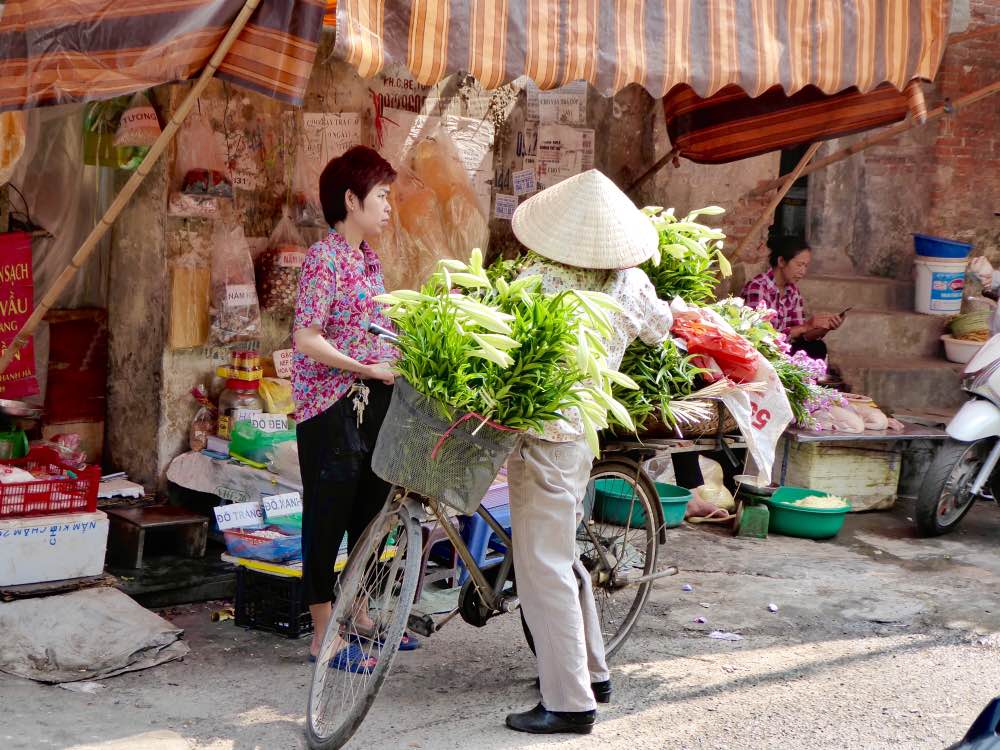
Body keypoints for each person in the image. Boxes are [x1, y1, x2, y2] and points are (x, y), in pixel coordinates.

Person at [504, 169, 675, 735]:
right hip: (585, 437)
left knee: (543, 568)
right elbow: (661, 330)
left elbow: (508, 342)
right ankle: (593, 672)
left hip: (543, 437)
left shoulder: (539, 274)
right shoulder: (631, 283)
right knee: (562, 556)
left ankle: (571, 702)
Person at [292, 145, 418, 672]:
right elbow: (305, 337)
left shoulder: (367, 260)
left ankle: (360, 612)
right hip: (329, 406)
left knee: (371, 508)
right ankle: (324, 634)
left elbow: (376, 330)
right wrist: (363, 369)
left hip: (373, 403)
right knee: (328, 517)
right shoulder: (325, 259)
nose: (389, 205)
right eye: (382, 195)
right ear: (351, 198)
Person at [741, 236, 843, 360]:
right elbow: (760, 338)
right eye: (799, 265)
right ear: (781, 261)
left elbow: (802, 337)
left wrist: (825, 328)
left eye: (806, 266)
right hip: (763, 353)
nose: (803, 271)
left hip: (784, 350)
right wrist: (805, 326)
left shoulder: (793, 291)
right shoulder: (758, 287)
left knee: (817, 347)